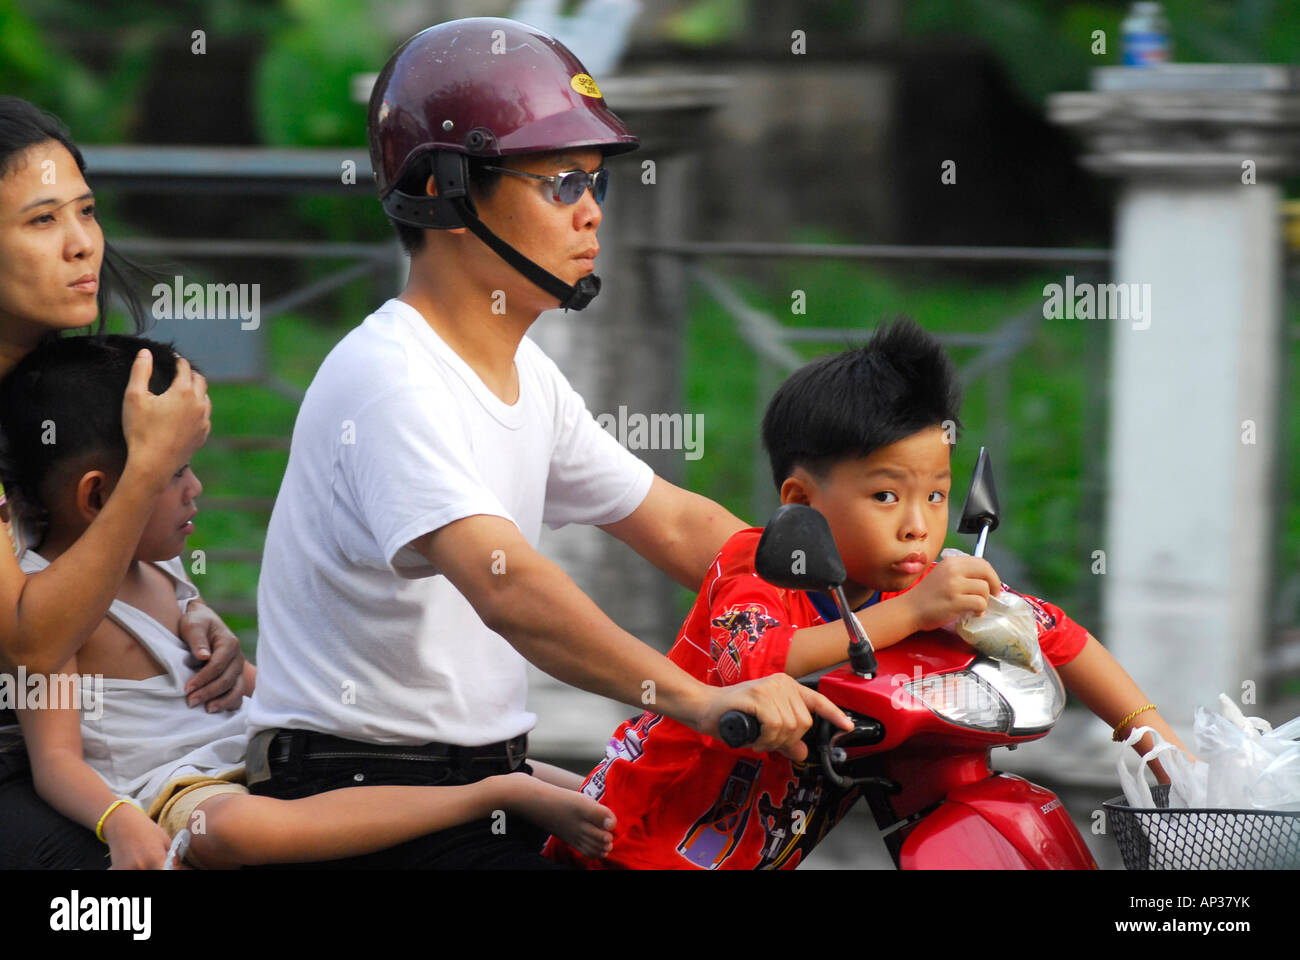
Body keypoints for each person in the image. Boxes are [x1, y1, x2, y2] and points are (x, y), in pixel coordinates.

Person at [244, 16, 850, 869]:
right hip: (362, 809)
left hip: (484, 787)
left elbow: (679, 528)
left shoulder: (521, 374)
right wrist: (698, 700)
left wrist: (867, 607)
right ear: (447, 190)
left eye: (595, 183)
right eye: (562, 183)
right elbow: (512, 588)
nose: (592, 213)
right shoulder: (391, 380)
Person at [545, 318, 1193, 869]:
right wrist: (914, 613)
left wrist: (1158, 743)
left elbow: (1057, 634)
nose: (917, 523)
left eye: (936, 494)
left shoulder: (921, 580)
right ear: (802, 502)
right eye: (887, 495)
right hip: (635, 837)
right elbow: (759, 663)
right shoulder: (758, 567)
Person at [4, 334, 617, 869]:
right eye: (174, 473)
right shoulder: (61, 608)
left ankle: (608, 790)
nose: (196, 489)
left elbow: (223, 684)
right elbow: (56, 761)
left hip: (252, 748)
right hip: (180, 792)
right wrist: (120, 821)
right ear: (96, 496)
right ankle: (491, 795)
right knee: (226, 830)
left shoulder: (155, 564)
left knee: (418, 749)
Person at [0, 96, 246, 868]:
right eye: (42, 222)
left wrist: (189, 615)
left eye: (87, 211)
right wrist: (145, 470)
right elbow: (33, 642)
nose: (83, 246)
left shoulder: (55, 386)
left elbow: (87, 539)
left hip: (71, 753)